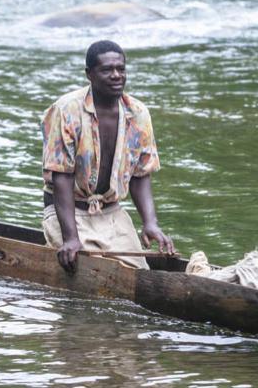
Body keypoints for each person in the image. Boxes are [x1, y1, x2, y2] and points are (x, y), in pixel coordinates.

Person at [41, 40, 175, 271]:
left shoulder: (138, 113)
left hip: (111, 213)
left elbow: (141, 174)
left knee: (139, 273)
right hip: (70, 213)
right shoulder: (67, 109)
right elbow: (61, 177)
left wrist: (150, 223)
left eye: (121, 69)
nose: (116, 75)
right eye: (107, 70)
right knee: (93, 272)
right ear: (89, 74)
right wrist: (71, 237)